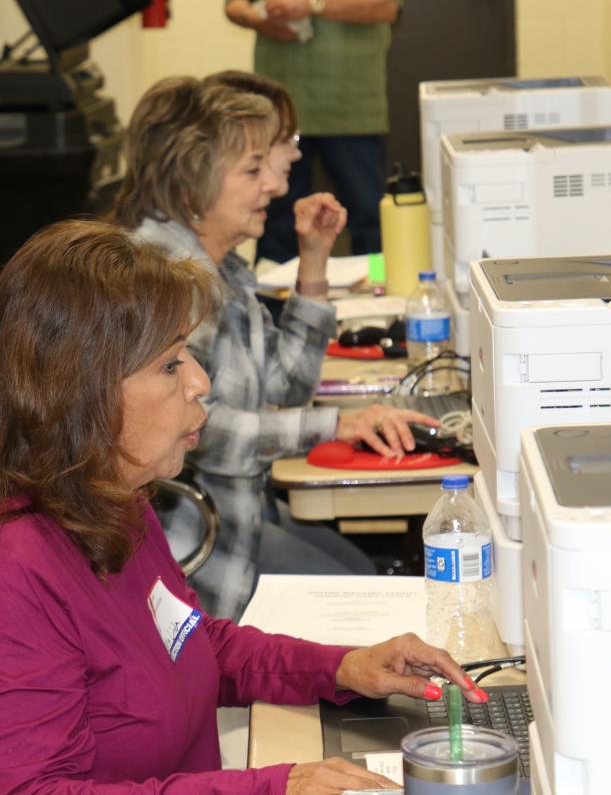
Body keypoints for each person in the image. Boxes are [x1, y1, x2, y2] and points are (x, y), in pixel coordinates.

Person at [0, 219, 489, 794]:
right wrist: (269, 789)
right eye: (169, 365)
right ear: (80, 393)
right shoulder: (0, 567)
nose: (200, 383)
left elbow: (185, 642)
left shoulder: (103, 493)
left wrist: (341, 667)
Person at [114, 75, 435, 619]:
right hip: (194, 540)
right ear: (194, 180)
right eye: (252, 170)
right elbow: (195, 431)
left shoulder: (221, 269)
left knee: (362, 575)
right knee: (362, 606)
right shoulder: (170, 278)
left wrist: (314, 264)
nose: (277, 186)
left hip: (241, 513)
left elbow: (285, 387)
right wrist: (337, 426)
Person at [225, 0, 405, 264]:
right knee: (272, 217)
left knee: (370, 219)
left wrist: (312, 3)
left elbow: (385, 5)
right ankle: (269, 304)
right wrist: (256, 18)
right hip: (277, 111)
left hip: (351, 106)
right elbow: (234, 1)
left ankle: (378, 292)